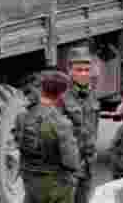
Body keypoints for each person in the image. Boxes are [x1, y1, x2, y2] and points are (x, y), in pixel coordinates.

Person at [14, 70, 80, 203]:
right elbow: (71, 162)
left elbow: (19, 144)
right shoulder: (61, 123)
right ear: (62, 94)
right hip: (55, 186)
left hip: (30, 183)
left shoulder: (22, 117)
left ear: (42, 89)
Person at [62, 47, 99, 203]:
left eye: (87, 70)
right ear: (70, 70)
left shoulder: (92, 95)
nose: (84, 74)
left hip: (88, 165)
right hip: (68, 168)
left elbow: (94, 126)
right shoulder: (62, 98)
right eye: (79, 70)